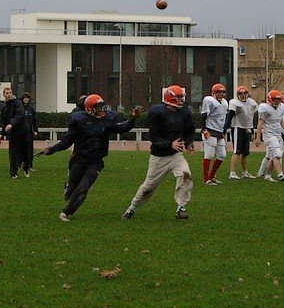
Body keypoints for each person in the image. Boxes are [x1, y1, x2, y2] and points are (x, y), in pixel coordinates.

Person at [39, 94, 143, 221]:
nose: (101, 109)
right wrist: (51, 149)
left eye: (101, 106)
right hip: (79, 158)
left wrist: (132, 119)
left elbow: (122, 128)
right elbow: (67, 141)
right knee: (71, 189)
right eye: (98, 107)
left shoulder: (107, 119)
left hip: (96, 160)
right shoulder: (79, 120)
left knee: (83, 188)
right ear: (89, 109)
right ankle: (68, 188)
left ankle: (66, 212)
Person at [123, 85, 196, 221]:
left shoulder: (184, 112)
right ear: (171, 98)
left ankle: (181, 207)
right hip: (159, 156)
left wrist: (189, 142)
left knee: (186, 174)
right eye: (179, 97)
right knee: (148, 187)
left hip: (176, 155)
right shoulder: (157, 112)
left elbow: (189, 129)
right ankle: (132, 207)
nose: (181, 100)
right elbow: (154, 138)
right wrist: (170, 144)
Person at [254, 90, 284, 182]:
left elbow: (281, 121)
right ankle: (280, 174)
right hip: (269, 135)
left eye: (279, 99)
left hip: (277, 134)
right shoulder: (265, 108)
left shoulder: (281, 107)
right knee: (277, 154)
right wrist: (258, 137)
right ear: (270, 99)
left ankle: (267, 175)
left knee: (272, 156)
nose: (277, 101)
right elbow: (260, 123)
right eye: (275, 99)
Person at [226, 86, 258, 180]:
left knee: (245, 152)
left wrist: (252, 130)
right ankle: (232, 172)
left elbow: (250, 118)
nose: (243, 95)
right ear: (237, 95)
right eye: (241, 94)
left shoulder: (251, 102)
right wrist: (224, 129)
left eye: (244, 93)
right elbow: (230, 117)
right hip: (238, 128)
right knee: (237, 151)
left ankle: (244, 172)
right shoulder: (234, 102)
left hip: (247, 128)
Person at [2, 89, 35, 178]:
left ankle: (26, 168)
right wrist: (1, 134)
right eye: (7, 93)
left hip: (23, 131)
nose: (9, 95)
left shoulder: (17, 103)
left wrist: (11, 124)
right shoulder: (4, 106)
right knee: (13, 153)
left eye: (10, 93)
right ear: (4, 95)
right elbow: (4, 121)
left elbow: (19, 115)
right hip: (13, 133)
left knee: (25, 152)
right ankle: (13, 173)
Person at [201, 83, 229, 185]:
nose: (221, 94)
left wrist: (223, 132)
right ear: (213, 93)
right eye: (218, 92)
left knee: (222, 155)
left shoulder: (225, 103)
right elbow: (203, 116)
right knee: (209, 155)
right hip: (210, 130)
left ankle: (212, 176)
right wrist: (204, 130)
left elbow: (223, 119)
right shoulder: (209, 100)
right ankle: (206, 179)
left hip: (219, 131)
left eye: (222, 92)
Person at [20, 92, 39, 171]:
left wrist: (35, 130)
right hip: (21, 132)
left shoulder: (31, 109)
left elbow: (34, 121)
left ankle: (30, 165)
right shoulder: (19, 108)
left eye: (27, 98)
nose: (26, 99)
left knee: (30, 149)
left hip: (29, 132)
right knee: (21, 149)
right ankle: (19, 164)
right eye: (25, 98)